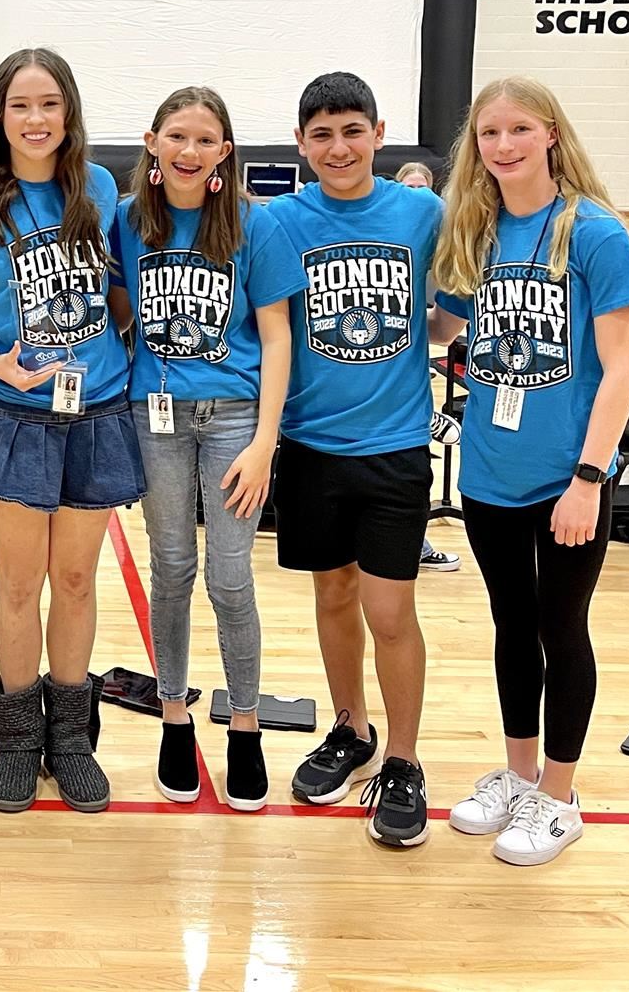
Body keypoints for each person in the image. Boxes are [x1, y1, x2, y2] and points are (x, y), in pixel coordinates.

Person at [0, 48, 140, 814]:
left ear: (69, 113)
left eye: (50, 104)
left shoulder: (100, 187)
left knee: (77, 579)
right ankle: (16, 738)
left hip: (97, 407)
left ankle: (70, 738)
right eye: (20, 106)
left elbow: (115, 287)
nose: (36, 119)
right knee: (20, 583)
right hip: (14, 414)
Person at [431, 76, 629, 868]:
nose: (504, 145)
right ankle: (519, 776)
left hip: (568, 477)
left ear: (551, 133)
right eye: (489, 133)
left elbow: (621, 371)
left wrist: (589, 477)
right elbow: (449, 323)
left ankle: (560, 795)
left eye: (520, 128)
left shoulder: (592, 233)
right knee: (512, 627)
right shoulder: (477, 230)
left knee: (562, 629)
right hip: (488, 470)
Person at [268, 72, 449, 849]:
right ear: (303, 144)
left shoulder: (423, 212)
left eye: (351, 131)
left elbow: (445, 316)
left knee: (389, 610)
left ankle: (403, 761)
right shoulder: (280, 221)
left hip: (397, 446)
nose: (338, 148)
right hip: (311, 448)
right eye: (321, 135)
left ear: (378, 132)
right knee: (334, 596)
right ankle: (351, 729)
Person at [111, 87, 300, 811]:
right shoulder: (130, 222)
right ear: (153, 142)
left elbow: (278, 335)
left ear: (225, 152)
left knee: (228, 578)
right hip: (153, 415)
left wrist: (264, 442)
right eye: (177, 137)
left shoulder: (256, 224)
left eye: (205, 140)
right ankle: (172, 717)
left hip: (234, 418)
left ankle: (245, 727)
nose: (189, 152)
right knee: (170, 569)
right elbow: (124, 306)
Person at [394, 160, 462, 574]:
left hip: (411, 366)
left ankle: (429, 417)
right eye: (410, 187)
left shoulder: (435, 235)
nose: (418, 195)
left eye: (424, 188)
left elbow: (442, 327)